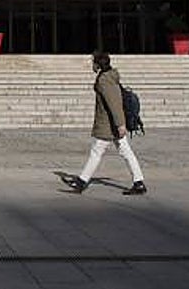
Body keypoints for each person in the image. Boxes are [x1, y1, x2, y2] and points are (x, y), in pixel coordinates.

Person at [62, 51, 147, 196]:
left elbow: (114, 102)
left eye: (93, 61)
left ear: (98, 63)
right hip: (111, 123)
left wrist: (120, 124)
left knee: (97, 152)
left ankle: (81, 182)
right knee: (125, 151)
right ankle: (138, 182)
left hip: (109, 124)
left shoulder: (105, 80)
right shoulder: (107, 76)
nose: (92, 64)